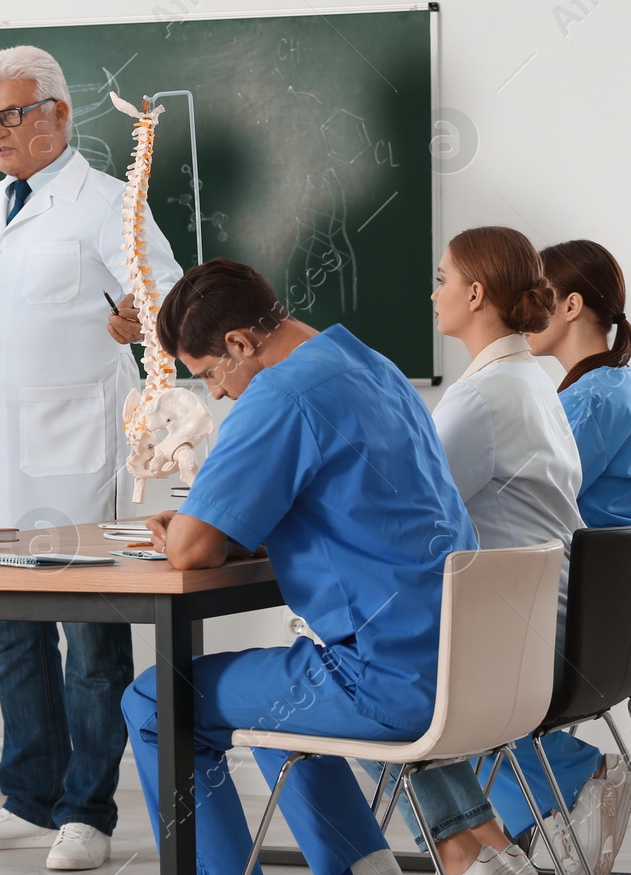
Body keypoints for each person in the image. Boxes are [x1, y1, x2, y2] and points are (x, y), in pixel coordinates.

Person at [119, 257, 477, 875]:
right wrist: (228, 532)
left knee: (154, 703)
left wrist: (191, 528)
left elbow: (191, 551)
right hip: (463, 660)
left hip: (388, 682)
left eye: (209, 376)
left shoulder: (280, 392)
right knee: (274, 710)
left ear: (239, 344)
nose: (219, 393)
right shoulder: (373, 364)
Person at [0, 45, 181, 871]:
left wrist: (138, 324)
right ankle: (29, 800)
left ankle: (87, 812)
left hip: (79, 456)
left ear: (58, 115)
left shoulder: (112, 203)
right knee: (11, 633)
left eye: (11, 114)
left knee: (90, 640)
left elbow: (169, 303)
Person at [368, 226, 624, 875]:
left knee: (368, 672)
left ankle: (471, 854)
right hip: (567, 627)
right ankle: (488, 851)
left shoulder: (481, 397)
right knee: (388, 658)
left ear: (476, 292)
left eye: (443, 278)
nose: (433, 293)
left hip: (524, 640)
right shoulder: (533, 382)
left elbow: (402, 512)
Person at [529, 239, 631, 528]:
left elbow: (535, 502)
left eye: (535, 299)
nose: (524, 316)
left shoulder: (588, 399)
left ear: (571, 306)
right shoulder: (623, 381)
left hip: (582, 566)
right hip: (617, 566)